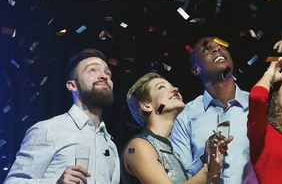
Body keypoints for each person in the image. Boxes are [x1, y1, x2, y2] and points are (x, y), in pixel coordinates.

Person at [4, 48, 120, 184]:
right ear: (72, 85)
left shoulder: (109, 145)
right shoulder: (48, 130)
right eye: (92, 70)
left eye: (108, 73)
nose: (103, 76)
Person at [170, 36, 258, 184]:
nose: (217, 48)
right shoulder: (185, 116)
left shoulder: (257, 105)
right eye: (207, 49)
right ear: (196, 69)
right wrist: (206, 158)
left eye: (221, 46)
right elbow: (181, 175)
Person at [122, 72, 229, 183]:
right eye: (161, 87)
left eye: (171, 86)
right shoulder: (138, 146)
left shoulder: (172, 150)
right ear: (146, 105)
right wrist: (209, 170)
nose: (175, 89)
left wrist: (208, 156)